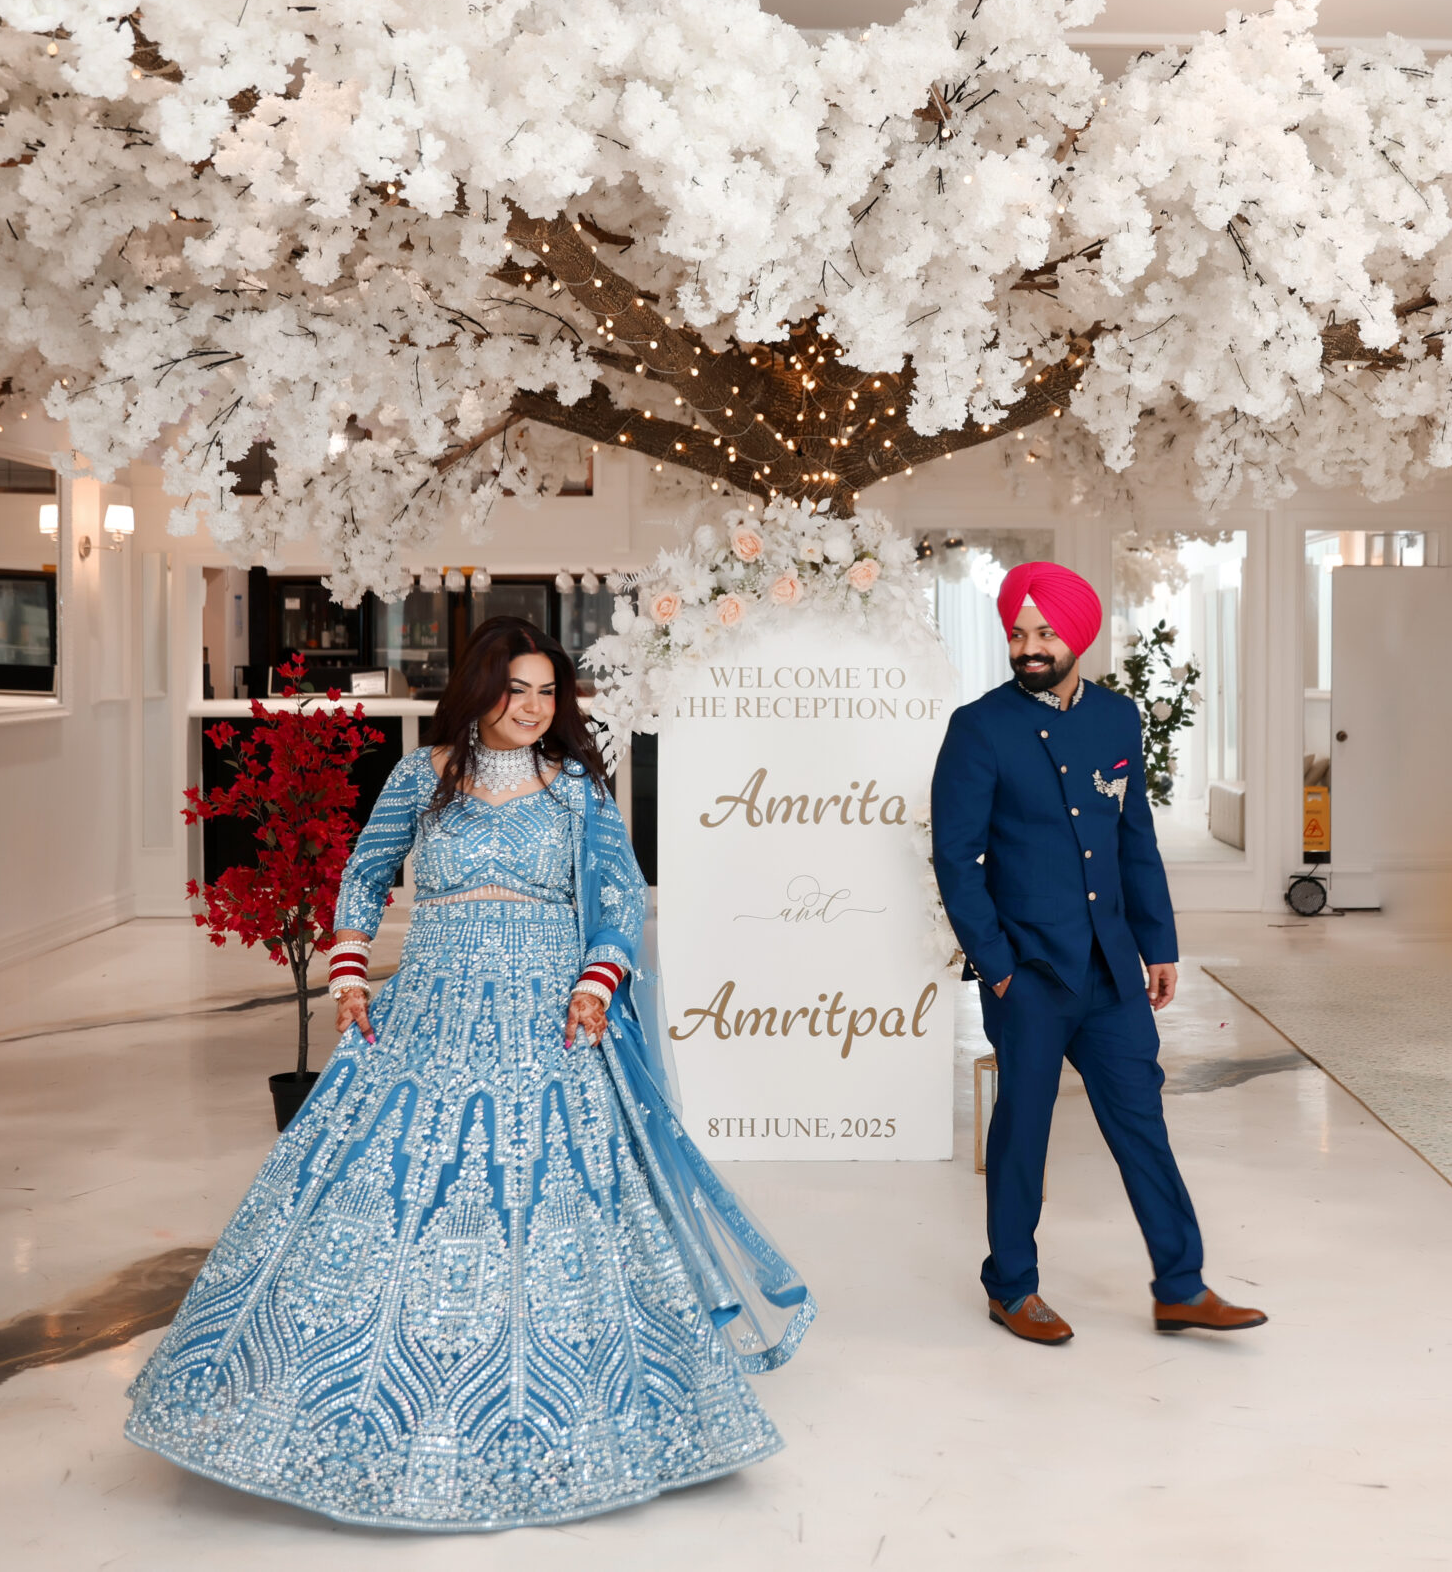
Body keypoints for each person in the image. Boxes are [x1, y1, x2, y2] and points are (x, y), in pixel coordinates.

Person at [126, 616, 811, 1530]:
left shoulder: (576, 788)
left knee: (549, 1201)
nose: (533, 707)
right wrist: (349, 971)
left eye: (547, 691)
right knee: (391, 1187)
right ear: (479, 689)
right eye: (515, 688)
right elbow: (365, 874)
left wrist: (597, 982)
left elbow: (618, 897)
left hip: (548, 1021)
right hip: (429, 1014)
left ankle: (578, 1407)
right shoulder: (424, 775)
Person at [928, 562, 1268, 1345]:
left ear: (1077, 635)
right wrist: (998, 968)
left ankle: (1181, 1285)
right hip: (1031, 974)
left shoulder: (1118, 718)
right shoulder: (980, 727)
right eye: (1018, 632)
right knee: (1024, 1129)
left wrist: (1158, 942)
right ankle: (1012, 1287)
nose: (1029, 646)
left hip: (1111, 970)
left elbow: (1134, 837)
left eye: (1045, 632)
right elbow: (956, 858)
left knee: (1142, 1121)